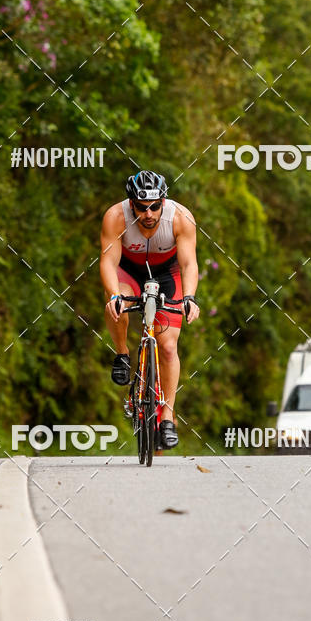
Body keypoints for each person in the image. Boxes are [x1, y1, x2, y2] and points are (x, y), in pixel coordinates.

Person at [100, 170, 200, 448]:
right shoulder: (115, 217)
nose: (149, 214)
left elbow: (189, 263)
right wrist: (113, 296)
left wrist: (190, 297)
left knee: (168, 347)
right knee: (118, 302)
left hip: (168, 274)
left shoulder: (180, 218)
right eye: (142, 207)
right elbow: (108, 262)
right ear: (131, 203)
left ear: (163, 202)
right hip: (128, 271)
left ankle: (167, 416)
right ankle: (122, 353)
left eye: (155, 206)